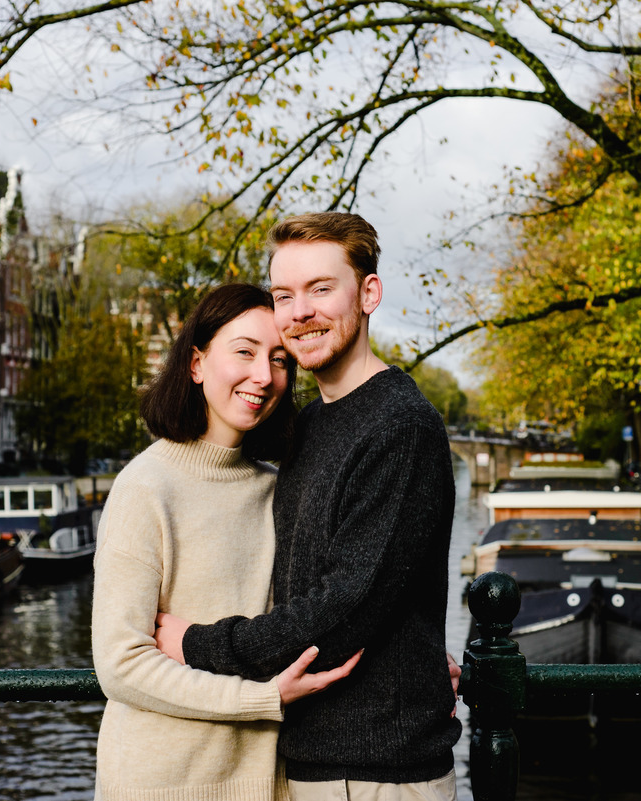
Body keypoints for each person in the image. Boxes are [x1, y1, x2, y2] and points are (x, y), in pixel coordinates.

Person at [156, 212, 462, 799]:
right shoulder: (312, 424)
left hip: (376, 771)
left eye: (321, 289)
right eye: (284, 295)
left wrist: (197, 644)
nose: (300, 312)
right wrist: (419, 652)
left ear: (368, 292)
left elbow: (344, 608)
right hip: (315, 761)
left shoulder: (400, 425)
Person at [91, 283, 360, 801]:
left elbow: (323, 612)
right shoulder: (145, 488)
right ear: (196, 363)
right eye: (245, 351)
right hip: (162, 786)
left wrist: (411, 663)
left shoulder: (280, 488)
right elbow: (121, 665)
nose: (264, 375)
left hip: (269, 785)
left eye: (280, 359)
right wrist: (262, 698)